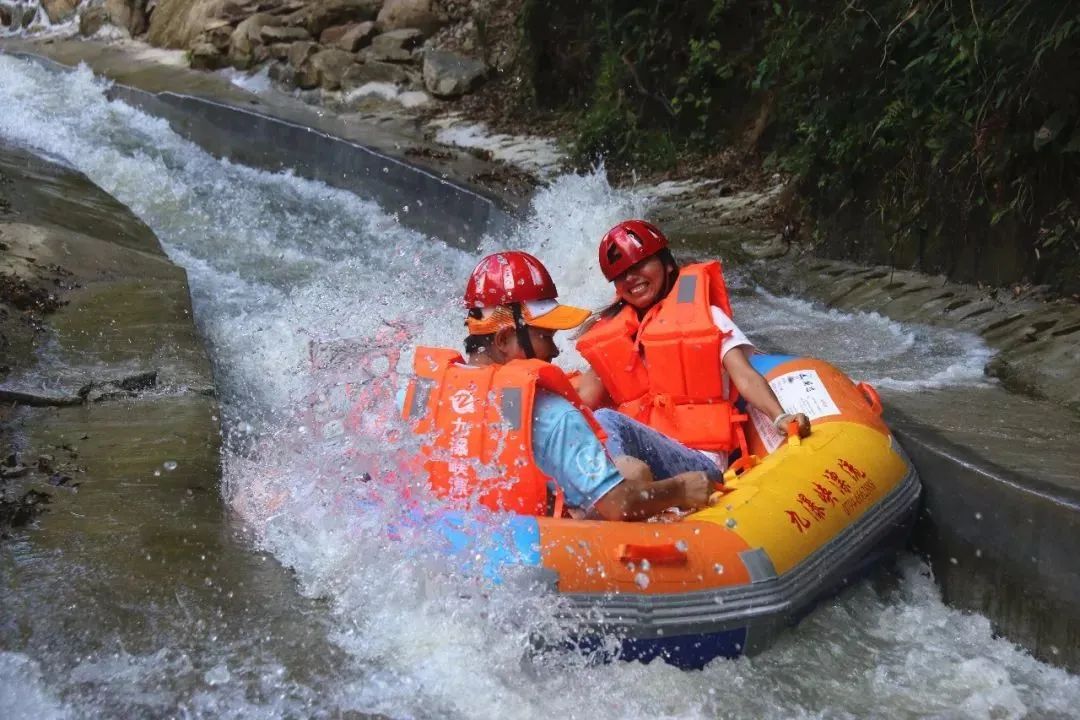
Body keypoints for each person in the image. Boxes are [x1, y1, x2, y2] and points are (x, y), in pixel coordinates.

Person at [400, 250, 716, 521]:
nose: (554, 351)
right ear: (504, 339)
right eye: (545, 337)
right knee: (634, 471)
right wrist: (680, 489)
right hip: (546, 548)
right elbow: (619, 504)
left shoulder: (417, 394)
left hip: (455, 536)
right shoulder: (552, 414)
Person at [575, 220, 811, 474]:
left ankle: (618, 488)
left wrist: (779, 417)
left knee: (607, 420)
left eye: (639, 264)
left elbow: (744, 376)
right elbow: (582, 401)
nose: (631, 278)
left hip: (699, 461)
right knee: (598, 423)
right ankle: (614, 486)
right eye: (621, 275)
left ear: (666, 263)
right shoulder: (618, 337)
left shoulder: (708, 318)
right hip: (646, 458)